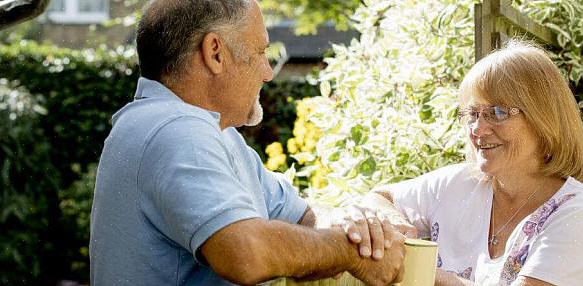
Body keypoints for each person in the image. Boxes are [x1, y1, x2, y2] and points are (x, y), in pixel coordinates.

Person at [89, 1, 407, 285]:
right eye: (260, 53)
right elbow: (245, 254)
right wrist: (349, 252)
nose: (268, 73)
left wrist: (353, 226)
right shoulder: (178, 131)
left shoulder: (211, 134)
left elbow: (304, 217)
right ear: (215, 52)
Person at [340, 40, 583, 285]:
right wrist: (393, 227)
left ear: (543, 119)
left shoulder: (578, 213)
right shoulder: (460, 183)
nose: (477, 128)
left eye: (497, 112)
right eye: (472, 113)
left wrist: (416, 268)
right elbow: (380, 197)